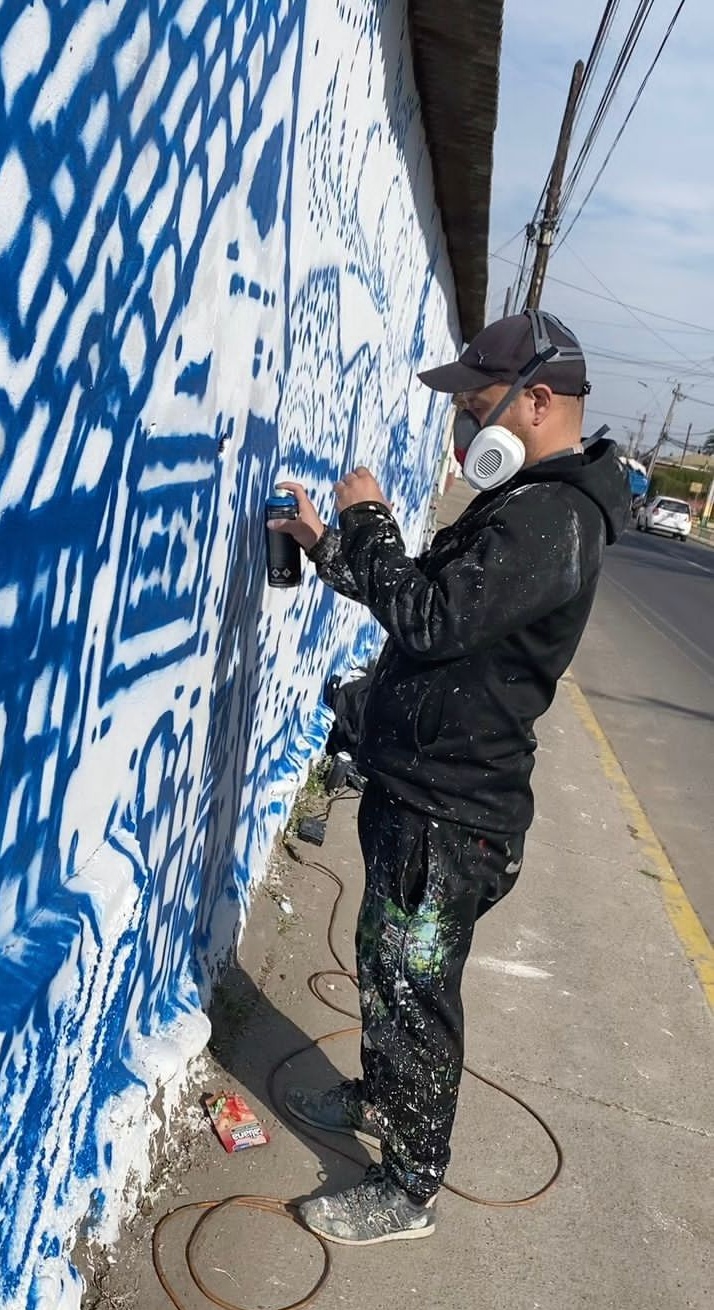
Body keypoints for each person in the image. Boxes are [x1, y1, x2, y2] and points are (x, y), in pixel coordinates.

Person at [269, 309, 629, 1247]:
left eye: (475, 409)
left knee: (416, 990)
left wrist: (369, 519)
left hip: (453, 815)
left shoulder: (555, 519)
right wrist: (326, 543)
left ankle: (410, 1184)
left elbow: (428, 617)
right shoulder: (531, 503)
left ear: (537, 400)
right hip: (424, 794)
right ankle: (378, 1093)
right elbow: (432, 591)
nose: (465, 431)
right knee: (388, 967)